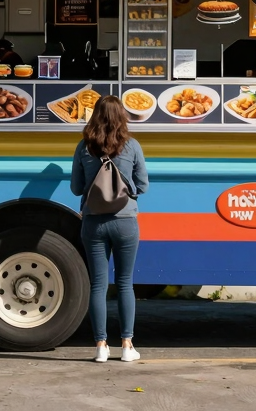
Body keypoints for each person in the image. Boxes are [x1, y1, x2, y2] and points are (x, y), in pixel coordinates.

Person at [70, 95, 148, 363]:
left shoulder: (84, 147)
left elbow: (76, 188)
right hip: (125, 221)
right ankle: (127, 345)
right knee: (125, 283)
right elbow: (144, 185)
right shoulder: (132, 145)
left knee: (98, 285)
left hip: (93, 223)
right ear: (121, 116)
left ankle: (101, 346)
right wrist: (125, 188)